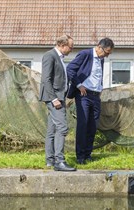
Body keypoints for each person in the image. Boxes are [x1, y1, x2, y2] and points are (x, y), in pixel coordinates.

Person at [66, 37, 114, 164]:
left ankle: (88, 154)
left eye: (109, 54)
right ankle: (80, 156)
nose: (107, 56)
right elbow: (70, 69)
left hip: (96, 95)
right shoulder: (85, 54)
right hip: (84, 95)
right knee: (83, 124)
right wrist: (78, 85)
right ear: (99, 47)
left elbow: (96, 75)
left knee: (93, 125)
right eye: (106, 52)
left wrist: (100, 87)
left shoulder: (101, 59)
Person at [39, 34, 76, 171]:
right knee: (62, 127)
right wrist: (54, 99)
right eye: (70, 47)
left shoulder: (59, 58)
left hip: (59, 97)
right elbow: (46, 79)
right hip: (53, 97)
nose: (71, 50)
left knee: (52, 129)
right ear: (62, 45)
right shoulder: (50, 56)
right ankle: (59, 161)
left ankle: (50, 161)